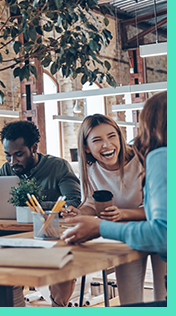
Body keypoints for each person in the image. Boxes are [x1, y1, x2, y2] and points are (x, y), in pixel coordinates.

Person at [63, 92, 167, 306]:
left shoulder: (150, 158)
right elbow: (93, 203)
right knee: (130, 302)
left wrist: (113, 220)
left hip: (143, 229)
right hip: (125, 235)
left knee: (163, 295)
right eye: (97, 140)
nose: (107, 144)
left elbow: (163, 223)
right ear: (86, 147)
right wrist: (81, 213)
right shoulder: (90, 170)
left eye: (112, 136)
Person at [0, 120, 81, 306]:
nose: (12, 162)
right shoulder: (6, 170)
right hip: (16, 238)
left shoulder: (58, 167)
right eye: (7, 156)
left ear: (34, 147)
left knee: (62, 268)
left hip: (51, 239)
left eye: (19, 155)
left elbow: (74, 201)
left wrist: (31, 206)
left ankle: (59, 307)